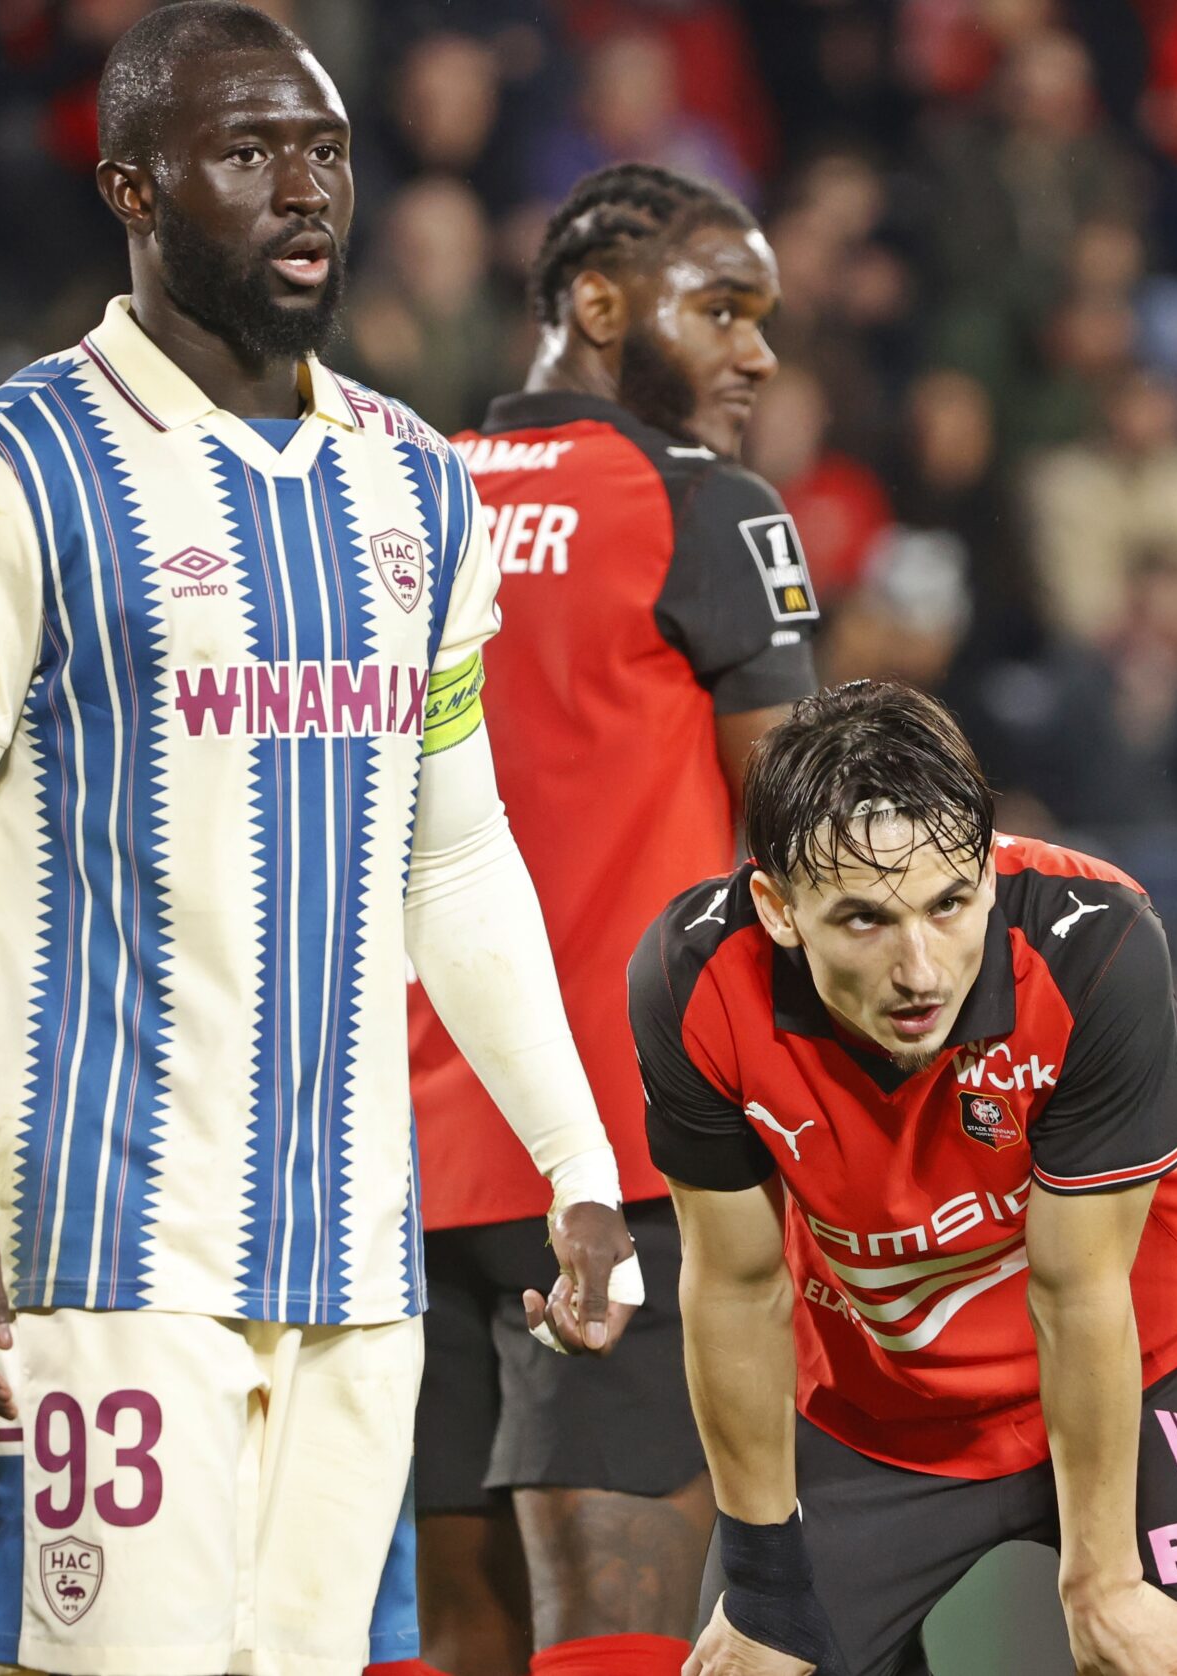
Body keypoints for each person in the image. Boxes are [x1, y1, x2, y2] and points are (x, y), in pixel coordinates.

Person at [0, 8, 634, 1673]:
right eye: (249, 153)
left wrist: (576, 1163)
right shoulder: (3, 475)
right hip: (103, 1249)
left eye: (325, 153)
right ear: (131, 183)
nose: (302, 191)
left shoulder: (420, 486)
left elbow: (458, 862)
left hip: (360, 1252)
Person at [634, 681, 1177, 1676]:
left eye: (947, 902)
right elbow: (733, 1284)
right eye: (863, 919)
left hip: (1144, 1356)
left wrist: (1100, 1584)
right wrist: (762, 1581)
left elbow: (1080, 1289)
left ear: (986, 868)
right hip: (879, 1391)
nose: (920, 968)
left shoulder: (1096, 940)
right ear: (777, 906)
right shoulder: (692, 977)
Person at [401, 161, 820, 1676]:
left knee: (455, 1639)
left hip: (407, 1160)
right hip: (626, 1160)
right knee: (623, 1638)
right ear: (592, 302)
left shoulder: (401, 500)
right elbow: (808, 839)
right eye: (720, 306)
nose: (756, 352)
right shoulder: (704, 510)